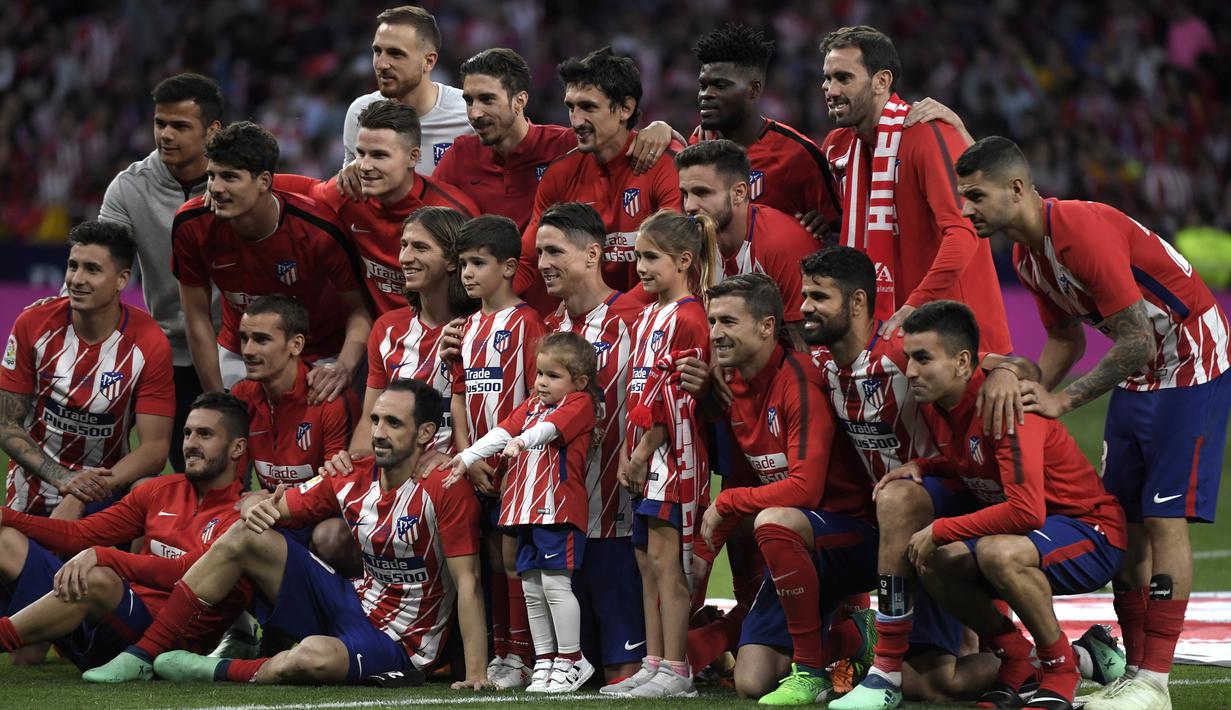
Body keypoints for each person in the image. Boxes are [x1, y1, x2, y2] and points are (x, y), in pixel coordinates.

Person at [954, 136, 1231, 710]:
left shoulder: (1079, 232)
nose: (967, 209)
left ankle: (1156, 682)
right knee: (1125, 514)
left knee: (1164, 516)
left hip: (1190, 356)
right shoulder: (1027, 255)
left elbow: (1133, 337)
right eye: (963, 197)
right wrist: (1028, 385)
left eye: (976, 196)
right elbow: (1064, 337)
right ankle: (1134, 668)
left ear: (1016, 189)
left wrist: (1060, 401)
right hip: (1143, 368)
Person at [803, 248, 1124, 707]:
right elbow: (967, 462)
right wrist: (924, 467)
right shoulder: (941, 403)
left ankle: (1060, 669)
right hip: (1025, 530)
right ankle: (1018, 657)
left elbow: (1027, 509)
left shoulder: (1003, 406)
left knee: (989, 551)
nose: (910, 371)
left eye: (922, 360)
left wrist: (940, 528)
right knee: (939, 570)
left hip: (1086, 529)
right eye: (908, 359)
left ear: (961, 362)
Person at [95, 380, 491, 688]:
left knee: (310, 658)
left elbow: (467, 581)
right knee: (244, 533)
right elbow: (266, 507)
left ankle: (214, 668)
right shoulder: (350, 473)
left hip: (400, 640)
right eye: (375, 420)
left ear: (425, 434)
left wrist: (475, 672)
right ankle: (143, 655)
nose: (379, 432)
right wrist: (254, 505)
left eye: (393, 423)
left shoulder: (445, 486)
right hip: (351, 600)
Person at [676, 273, 872, 704]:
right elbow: (749, 479)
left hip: (851, 535)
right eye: (711, 322)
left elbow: (802, 488)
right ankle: (854, 638)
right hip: (796, 541)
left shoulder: (798, 382)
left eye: (728, 322)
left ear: (767, 327)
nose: (715, 334)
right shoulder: (733, 387)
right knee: (751, 682)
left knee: (771, 519)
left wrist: (726, 504)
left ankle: (810, 669)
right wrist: (704, 557)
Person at [0, 392, 251, 680]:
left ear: (237, 448)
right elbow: (79, 534)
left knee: (98, 577)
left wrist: (105, 556)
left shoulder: (242, 517)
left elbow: (184, 572)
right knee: (6, 539)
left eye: (205, 435)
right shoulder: (160, 490)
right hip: (109, 619)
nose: (191, 444)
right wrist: (9, 517)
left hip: (161, 642)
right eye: (187, 433)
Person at [817, 26, 1011, 354]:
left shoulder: (925, 134)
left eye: (843, 78)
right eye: (827, 78)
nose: (830, 89)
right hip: (890, 337)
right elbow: (852, 222)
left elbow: (963, 233)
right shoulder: (838, 147)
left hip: (958, 341)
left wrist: (915, 305)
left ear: (882, 81)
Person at [445, 331, 600, 693]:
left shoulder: (579, 403)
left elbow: (547, 431)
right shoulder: (531, 405)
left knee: (556, 584)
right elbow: (503, 430)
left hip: (557, 510)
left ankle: (572, 659)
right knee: (531, 586)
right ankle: (545, 661)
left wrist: (522, 440)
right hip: (523, 509)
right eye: (540, 374)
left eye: (553, 376)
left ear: (578, 381)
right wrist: (467, 457)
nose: (542, 382)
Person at [172, 121, 373, 396]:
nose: (216, 188)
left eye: (229, 177)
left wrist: (343, 367)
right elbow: (196, 316)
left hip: (318, 350)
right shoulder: (191, 224)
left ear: (264, 181)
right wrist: (215, 397)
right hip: (241, 349)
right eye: (211, 176)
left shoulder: (318, 230)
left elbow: (360, 309)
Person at [608, 210, 715, 699]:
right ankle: (654, 662)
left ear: (684, 260)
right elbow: (639, 392)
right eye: (637, 258)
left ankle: (678, 669)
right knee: (647, 560)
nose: (641, 268)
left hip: (676, 456)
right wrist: (631, 452)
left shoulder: (691, 317)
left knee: (670, 563)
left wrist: (643, 451)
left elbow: (676, 399)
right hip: (645, 458)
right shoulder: (650, 313)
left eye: (651, 257)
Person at [2, 221, 174, 519]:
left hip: (104, 499)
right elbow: (6, 425)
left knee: (148, 489)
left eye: (92, 269)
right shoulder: (33, 323)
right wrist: (62, 479)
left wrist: (82, 494)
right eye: (72, 266)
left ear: (121, 280)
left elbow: (155, 449)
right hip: (30, 497)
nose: (76, 279)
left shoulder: (149, 342)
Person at [99, 73, 223, 472]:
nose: (166, 135)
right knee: (189, 469)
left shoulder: (241, 181)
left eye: (181, 126)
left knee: (262, 471)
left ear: (212, 130)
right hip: (171, 353)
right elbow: (104, 264)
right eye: (160, 124)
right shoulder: (128, 187)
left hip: (241, 349)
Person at [450, 215, 546, 688]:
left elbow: (539, 396)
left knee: (513, 560)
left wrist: (504, 455)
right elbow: (461, 394)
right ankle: (501, 650)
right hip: (479, 467)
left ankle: (521, 655)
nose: (467, 273)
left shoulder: (527, 322)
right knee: (490, 558)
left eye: (477, 263)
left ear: (508, 267)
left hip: (516, 464)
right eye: (462, 264)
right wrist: (469, 456)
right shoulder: (466, 327)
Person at [516, 47, 684, 314]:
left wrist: (608, 315)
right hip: (596, 322)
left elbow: (672, 260)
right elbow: (526, 261)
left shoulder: (665, 166)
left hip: (657, 321)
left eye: (588, 107)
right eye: (571, 107)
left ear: (625, 108)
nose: (576, 121)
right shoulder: (561, 174)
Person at [435, 48, 676, 231]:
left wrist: (661, 129)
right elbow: (428, 219)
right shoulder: (460, 155)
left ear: (520, 101)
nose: (474, 113)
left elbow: (618, 135)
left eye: (487, 100)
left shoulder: (566, 146)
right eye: (469, 101)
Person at [278, 100, 478, 315]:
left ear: (413, 157)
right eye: (361, 154)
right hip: (379, 336)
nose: (364, 166)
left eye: (379, 155)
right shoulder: (349, 193)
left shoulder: (453, 213)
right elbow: (307, 190)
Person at [230, 295, 359, 573]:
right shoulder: (242, 395)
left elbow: (335, 490)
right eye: (244, 339)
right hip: (271, 516)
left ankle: (346, 608)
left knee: (331, 537)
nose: (248, 350)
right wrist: (249, 501)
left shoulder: (330, 399)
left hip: (317, 521)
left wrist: (268, 505)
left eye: (261, 340)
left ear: (296, 345)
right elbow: (233, 481)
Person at [689, 23, 841, 236]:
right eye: (703, 86)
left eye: (720, 85)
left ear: (754, 89)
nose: (706, 94)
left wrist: (823, 232)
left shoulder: (799, 155)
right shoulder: (696, 146)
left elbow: (838, 231)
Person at [355, 207, 476, 456]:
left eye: (420, 248)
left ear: (453, 260)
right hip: (399, 475)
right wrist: (351, 466)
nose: (405, 258)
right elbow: (370, 422)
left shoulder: (480, 328)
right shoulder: (386, 329)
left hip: (460, 475)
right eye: (404, 245)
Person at [674, 139, 819, 346]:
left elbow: (805, 349)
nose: (689, 206)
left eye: (702, 193)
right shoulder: (690, 245)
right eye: (685, 194)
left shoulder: (782, 243)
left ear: (738, 193)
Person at [340, 5, 470, 181]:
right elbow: (353, 190)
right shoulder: (360, 112)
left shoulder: (468, 113)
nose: (382, 64)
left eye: (396, 54)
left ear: (428, 62)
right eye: (378, 51)